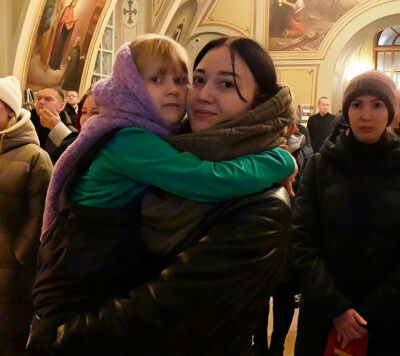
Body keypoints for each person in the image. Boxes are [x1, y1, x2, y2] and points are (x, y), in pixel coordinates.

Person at [27, 35, 296, 355]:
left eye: (226, 84)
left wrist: (62, 340)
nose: (201, 94)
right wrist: (280, 161)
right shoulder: (141, 142)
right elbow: (205, 178)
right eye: (199, 80)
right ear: (132, 87)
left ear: (259, 101)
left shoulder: (264, 207)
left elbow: (169, 314)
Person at [293, 70, 400, 355]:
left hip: (387, 321)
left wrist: (367, 313)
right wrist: (336, 307)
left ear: (390, 111)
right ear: (346, 111)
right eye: (357, 104)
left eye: (377, 104)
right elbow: (301, 241)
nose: (366, 115)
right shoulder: (319, 166)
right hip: (323, 316)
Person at [0, 76, 52, 355]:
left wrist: (18, 258)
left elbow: (40, 217)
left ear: (10, 110)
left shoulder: (34, 157)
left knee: (9, 338)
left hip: (12, 275)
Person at [252, 120, 313, 356]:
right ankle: (259, 345)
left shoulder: (304, 143)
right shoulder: (255, 144)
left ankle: (277, 346)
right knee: (258, 293)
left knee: (285, 294)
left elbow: (306, 190)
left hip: (291, 226)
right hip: (260, 226)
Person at [30, 87, 77, 163]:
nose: (41, 102)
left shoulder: (70, 132)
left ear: (61, 107)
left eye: (48, 99)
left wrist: (57, 128)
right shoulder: (25, 124)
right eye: (39, 98)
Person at [49, 0, 78, 70]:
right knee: (58, 47)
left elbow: (70, 20)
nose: (74, 3)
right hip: (62, 30)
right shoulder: (67, 9)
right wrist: (72, 21)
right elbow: (64, 20)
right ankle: (53, 64)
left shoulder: (72, 10)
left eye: (75, 3)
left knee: (61, 48)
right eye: (74, 1)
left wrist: (73, 21)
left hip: (66, 31)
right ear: (71, 2)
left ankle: (57, 65)